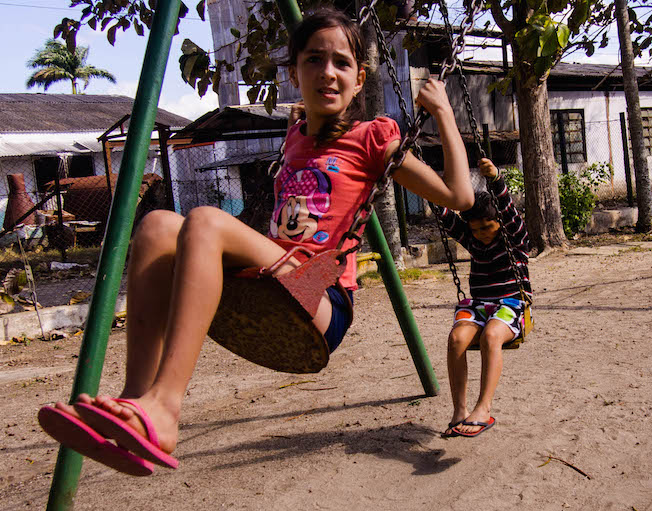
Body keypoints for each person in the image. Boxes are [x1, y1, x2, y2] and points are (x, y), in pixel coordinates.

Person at [37, 8, 475, 476]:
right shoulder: (295, 136)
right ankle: (135, 401)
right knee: (156, 227)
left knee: (205, 220)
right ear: (294, 72)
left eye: (342, 63)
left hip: (320, 298)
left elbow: (459, 196)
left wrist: (443, 114)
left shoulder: (373, 138)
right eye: (313, 60)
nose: (328, 72)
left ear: (359, 76)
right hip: (271, 279)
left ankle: (166, 406)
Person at [438, 158, 531, 438]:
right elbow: (444, 214)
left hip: (511, 304)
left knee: (492, 336)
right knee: (456, 339)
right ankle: (459, 409)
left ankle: (483, 408)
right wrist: (423, 180)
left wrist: (495, 179)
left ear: (498, 224)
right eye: (476, 230)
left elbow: (509, 211)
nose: (482, 235)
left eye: (487, 228)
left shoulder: (515, 238)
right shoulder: (473, 239)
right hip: (478, 307)